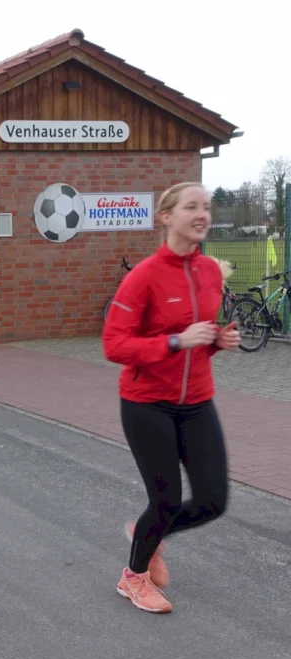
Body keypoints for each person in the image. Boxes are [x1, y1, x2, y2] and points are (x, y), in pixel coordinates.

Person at [102, 181, 241, 615]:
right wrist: (176, 342)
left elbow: (200, 334)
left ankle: (149, 533)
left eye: (206, 207)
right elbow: (114, 345)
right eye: (191, 207)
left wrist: (217, 341)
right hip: (147, 403)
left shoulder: (211, 272)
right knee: (162, 500)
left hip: (197, 400)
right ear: (166, 217)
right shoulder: (143, 277)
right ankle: (133, 578)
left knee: (212, 500)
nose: (202, 214)